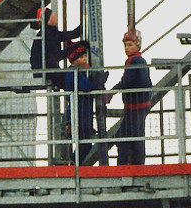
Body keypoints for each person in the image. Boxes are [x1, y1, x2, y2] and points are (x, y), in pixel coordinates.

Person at [54, 39, 104, 166]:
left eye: (85, 56)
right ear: (74, 60)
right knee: (84, 142)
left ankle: (75, 163)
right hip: (79, 110)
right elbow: (85, 86)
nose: (85, 59)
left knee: (84, 141)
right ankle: (74, 163)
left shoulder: (76, 71)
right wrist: (97, 82)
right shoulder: (73, 72)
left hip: (81, 110)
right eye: (82, 57)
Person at [111, 29, 152, 166]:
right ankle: (137, 164)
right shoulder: (141, 60)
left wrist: (111, 92)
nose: (127, 48)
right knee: (136, 136)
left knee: (124, 137)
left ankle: (126, 165)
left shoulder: (133, 61)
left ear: (137, 46)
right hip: (140, 106)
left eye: (130, 45)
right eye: (126, 45)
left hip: (134, 106)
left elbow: (126, 81)